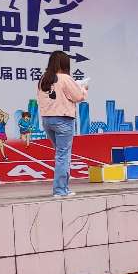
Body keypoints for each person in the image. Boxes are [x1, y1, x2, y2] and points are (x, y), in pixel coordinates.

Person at [37, 50, 87, 197]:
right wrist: (83, 89)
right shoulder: (65, 78)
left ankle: (63, 188)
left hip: (47, 120)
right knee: (63, 155)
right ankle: (60, 190)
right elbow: (78, 96)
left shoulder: (43, 79)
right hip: (63, 120)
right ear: (64, 63)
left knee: (60, 154)